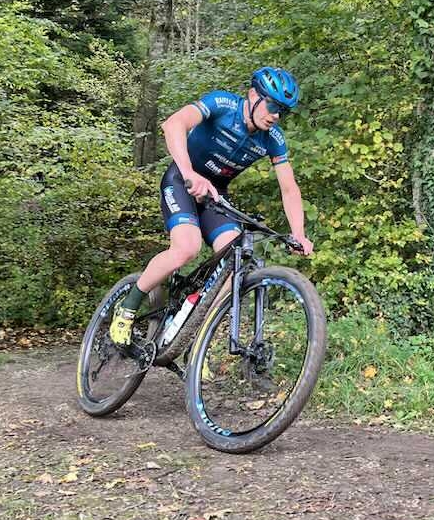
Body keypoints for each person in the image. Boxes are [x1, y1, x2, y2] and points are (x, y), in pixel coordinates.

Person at [109, 66, 314, 344]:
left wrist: (298, 233)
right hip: (181, 180)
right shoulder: (222, 104)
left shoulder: (273, 139)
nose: (276, 116)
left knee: (234, 261)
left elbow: (289, 188)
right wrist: (189, 173)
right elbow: (173, 124)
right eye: (272, 106)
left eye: (283, 111)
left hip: (215, 194)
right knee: (187, 248)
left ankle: (197, 336)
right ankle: (127, 308)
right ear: (253, 95)